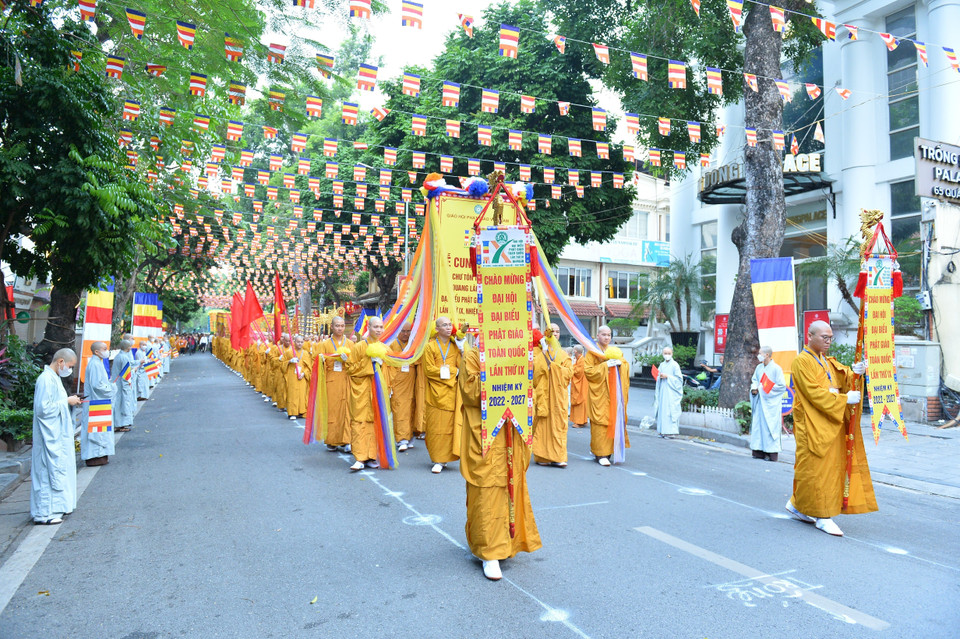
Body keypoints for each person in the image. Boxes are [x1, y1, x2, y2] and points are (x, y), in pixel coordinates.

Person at [459, 338, 541, 580]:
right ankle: (489, 552)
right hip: (486, 435)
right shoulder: (473, 355)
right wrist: (496, 375)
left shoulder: (519, 353)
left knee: (510, 486)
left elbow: (531, 387)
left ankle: (506, 544)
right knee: (487, 489)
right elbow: (469, 392)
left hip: (512, 434)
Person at [786, 320, 877, 537]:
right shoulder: (801, 362)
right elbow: (814, 393)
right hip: (813, 423)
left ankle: (797, 505)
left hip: (829, 422)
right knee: (816, 470)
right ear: (810, 336)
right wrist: (845, 399)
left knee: (827, 469)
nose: (828, 341)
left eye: (830, 338)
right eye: (823, 337)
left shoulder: (824, 361)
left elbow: (840, 377)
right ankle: (822, 516)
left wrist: (854, 373)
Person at [582, 326, 630, 466]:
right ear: (597, 335)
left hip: (613, 394)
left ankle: (608, 451)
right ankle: (600, 453)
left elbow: (625, 365)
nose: (607, 337)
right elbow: (589, 372)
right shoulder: (592, 352)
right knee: (600, 423)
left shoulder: (614, 351)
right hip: (599, 394)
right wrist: (605, 366)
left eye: (609, 335)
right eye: (604, 334)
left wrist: (621, 364)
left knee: (612, 420)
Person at [346, 317, 386, 471]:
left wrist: (382, 365)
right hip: (361, 390)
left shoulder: (384, 348)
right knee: (359, 421)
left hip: (377, 391)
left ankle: (371, 456)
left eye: (381, 327)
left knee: (375, 422)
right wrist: (369, 362)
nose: (378, 330)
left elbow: (390, 372)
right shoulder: (359, 347)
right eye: (375, 326)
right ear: (369, 327)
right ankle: (359, 457)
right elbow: (350, 368)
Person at [422, 317, 462, 473]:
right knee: (435, 427)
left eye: (449, 324)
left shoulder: (455, 346)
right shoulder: (429, 347)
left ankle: (445, 458)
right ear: (437, 329)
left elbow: (464, 366)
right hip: (435, 392)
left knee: (449, 427)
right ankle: (437, 458)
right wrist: (452, 371)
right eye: (444, 325)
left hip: (452, 391)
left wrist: (463, 347)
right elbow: (428, 370)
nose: (448, 327)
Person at [532, 325, 573, 467]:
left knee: (559, 426)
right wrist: (543, 356)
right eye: (552, 331)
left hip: (558, 396)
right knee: (543, 425)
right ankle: (542, 457)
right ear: (546, 334)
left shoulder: (563, 354)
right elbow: (534, 374)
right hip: (544, 395)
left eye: (558, 331)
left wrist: (553, 367)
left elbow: (568, 374)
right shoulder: (538, 352)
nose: (555, 334)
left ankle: (558, 457)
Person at [79, 341, 117, 467]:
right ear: (96, 351)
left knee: (100, 430)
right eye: (104, 348)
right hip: (96, 402)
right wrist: (111, 388)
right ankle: (94, 456)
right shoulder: (95, 364)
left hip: (99, 402)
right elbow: (97, 385)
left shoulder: (97, 363)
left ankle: (100, 455)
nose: (107, 350)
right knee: (96, 431)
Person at [320, 317, 354, 451]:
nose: (340, 328)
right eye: (337, 326)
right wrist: (321, 360)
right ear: (332, 327)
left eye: (342, 325)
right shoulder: (325, 344)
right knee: (332, 410)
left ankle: (347, 440)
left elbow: (356, 363)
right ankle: (332, 440)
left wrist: (349, 360)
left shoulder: (350, 343)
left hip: (346, 379)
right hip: (332, 381)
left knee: (347, 410)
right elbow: (317, 363)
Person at [750, 346, 787, 461]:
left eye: (760, 353)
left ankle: (771, 453)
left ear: (767, 355)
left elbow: (781, 387)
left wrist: (763, 389)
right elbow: (754, 380)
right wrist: (754, 388)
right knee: (758, 426)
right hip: (760, 403)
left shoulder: (776, 369)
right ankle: (758, 451)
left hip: (771, 404)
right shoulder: (759, 368)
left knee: (770, 427)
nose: (758, 355)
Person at [388, 323, 421, 452]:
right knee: (399, 409)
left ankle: (410, 436)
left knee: (412, 408)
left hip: (411, 380)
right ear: (398, 331)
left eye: (408, 331)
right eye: (403, 331)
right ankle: (401, 439)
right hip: (397, 381)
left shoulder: (413, 344)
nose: (406, 334)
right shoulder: (392, 344)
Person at [654, 346, 683, 436]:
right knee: (662, 411)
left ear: (672, 354)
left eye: (669, 353)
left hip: (671, 393)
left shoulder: (675, 365)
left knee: (670, 411)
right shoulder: (662, 365)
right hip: (663, 391)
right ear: (663, 354)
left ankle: (671, 432)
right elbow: (658, 375)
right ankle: (662, 431)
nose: (667, 355)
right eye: (665, 353)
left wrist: (668, 377)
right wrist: (659, 376)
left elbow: (679, 380)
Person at [282, 335, 312, 420]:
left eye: (301, 342)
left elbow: (309, 367)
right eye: (298, 342)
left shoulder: (306, 353)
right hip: (292, 376)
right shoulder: (289, 352)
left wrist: (304, 373)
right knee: (292, 394)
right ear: (294, 342)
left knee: (302, 394)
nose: (300, 344)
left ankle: (301, 412)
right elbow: (282, 364)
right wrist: (289, 361)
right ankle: (292, 412)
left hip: (302, 376)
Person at [113, 339, 137, 432]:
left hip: (117, 384)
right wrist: (127, 386)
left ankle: (119, 424)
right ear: (128, 348)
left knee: (119, 404)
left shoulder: (118, 356)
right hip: (123, 385)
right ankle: (121, 424)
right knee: (123, 404)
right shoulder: (124, 358)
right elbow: (126, 375)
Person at [569, 345, 588, 428]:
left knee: (580, 401)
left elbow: (578, 372)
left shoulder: (582, 360)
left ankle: (579, 421)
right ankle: (582, 420)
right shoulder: (579, 359)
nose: (573, 351)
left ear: (575, 351)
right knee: (580, 401)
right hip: (580, 383)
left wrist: (571, 368)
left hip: (581, 384)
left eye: (574, 350)